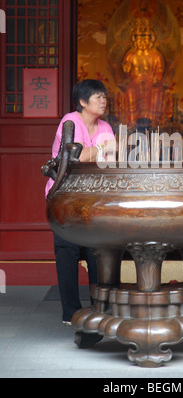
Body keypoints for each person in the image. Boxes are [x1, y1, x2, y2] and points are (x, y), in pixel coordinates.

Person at [45, 79, 115, 325]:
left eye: (105, 96)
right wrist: (99, 149)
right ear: (83, 102)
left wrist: (94, 150)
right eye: (98, 97)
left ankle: (99, 308)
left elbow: (112, 159)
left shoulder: (105, 125)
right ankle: (70, 313)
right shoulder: (70, 122)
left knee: (98, 252)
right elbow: (76, 157)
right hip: (65, 198)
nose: (103, 101)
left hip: (94, 200)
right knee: (67, 252)